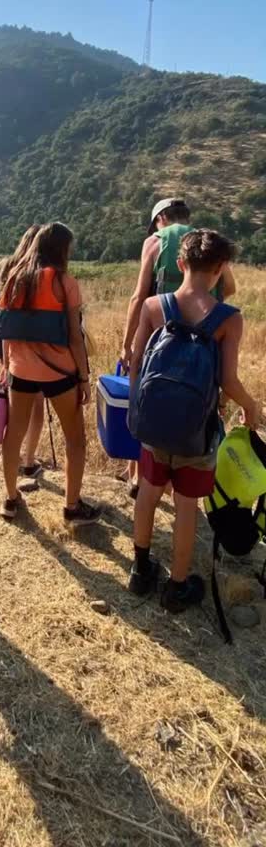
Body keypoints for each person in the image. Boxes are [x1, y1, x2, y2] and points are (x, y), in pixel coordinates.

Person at [128, 230, 261, 613]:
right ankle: (177, 587)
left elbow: (136, 365)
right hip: (197, 434)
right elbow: (228, 381)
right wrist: (251, 408)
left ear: (180, 263)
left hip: (154, 428)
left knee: (149, 494)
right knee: (187, 506)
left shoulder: (154, 306)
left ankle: (139, 572)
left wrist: (141, 414)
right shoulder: (229, 319)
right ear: (220, 269)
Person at [120, 197, 236, 497]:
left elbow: (138, 296)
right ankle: (179, 486)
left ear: (160, 219)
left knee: (149, 403)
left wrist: (127, 344)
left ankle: (137, 477)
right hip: (202, 346)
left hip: (160, 337)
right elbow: (230, 287)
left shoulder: (155, 241)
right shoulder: (205, 242)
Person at [0, 222, 100, 525]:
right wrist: (84, 377)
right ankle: (71, 506)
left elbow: (5, 332)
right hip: (60, 373)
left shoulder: (13, 278)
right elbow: (74, 337)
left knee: (13, 434)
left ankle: (11, 498)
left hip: (20, 371)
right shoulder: (65, 282)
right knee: (75, 438)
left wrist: (7, 367)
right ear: (61, 249)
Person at [0, 226, 46, 480]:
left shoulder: (5, 267)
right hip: (30, 349)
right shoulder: (36, 274)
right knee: (36, 406)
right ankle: (29, 460)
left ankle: (9, 463)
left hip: (4, 344)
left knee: (13, 403)